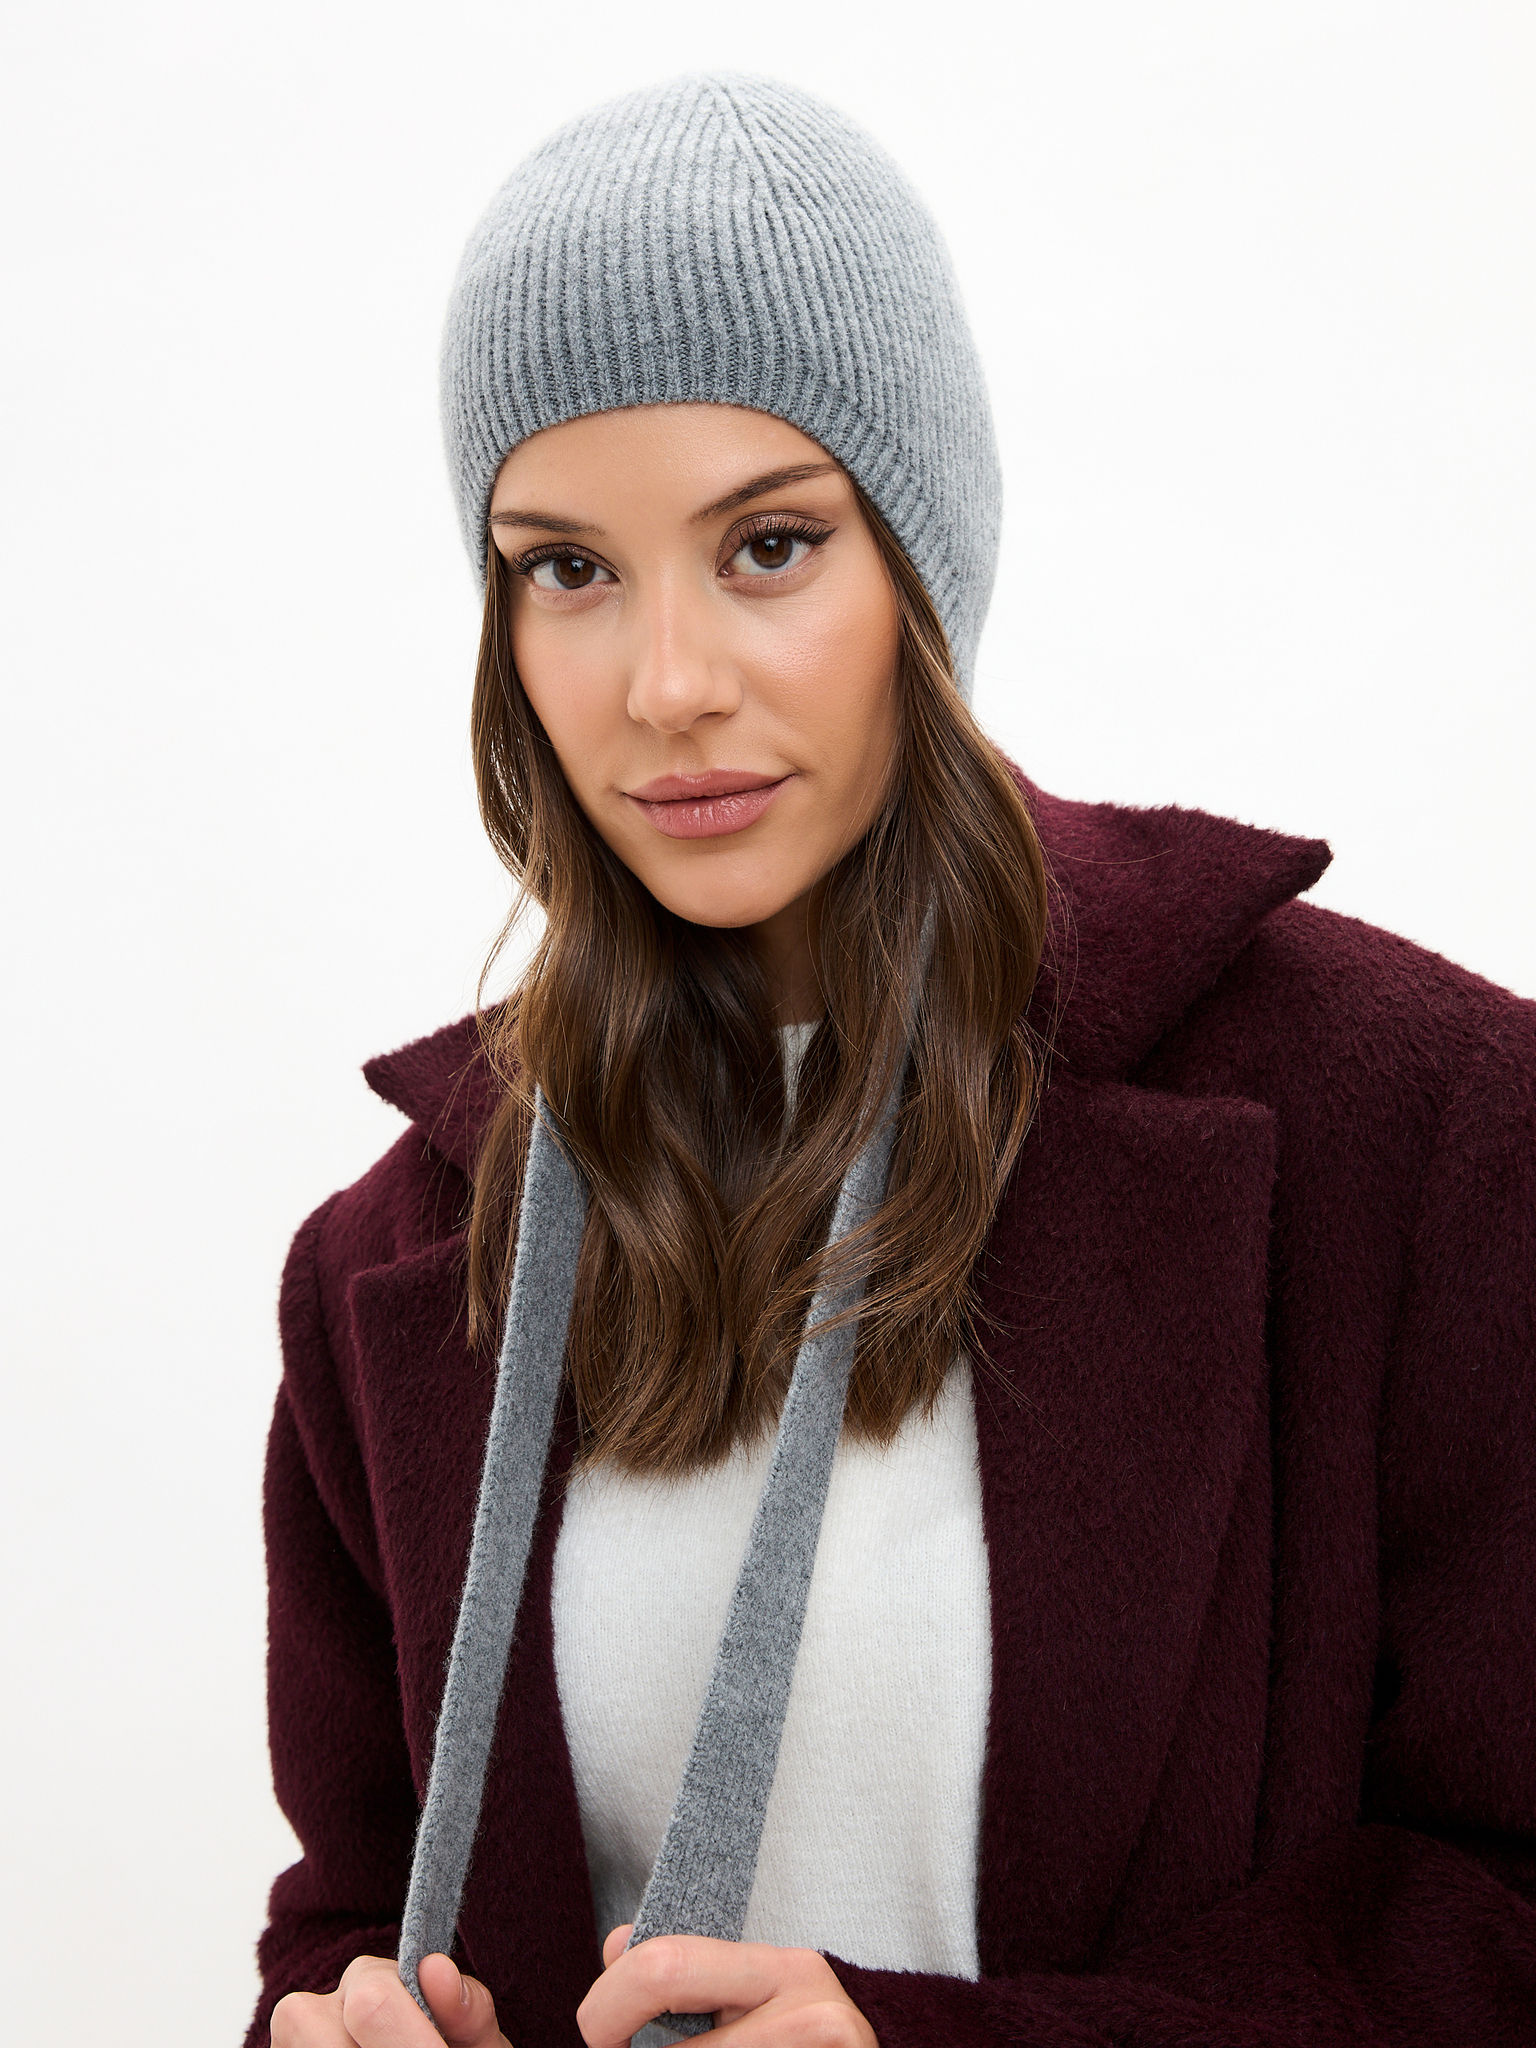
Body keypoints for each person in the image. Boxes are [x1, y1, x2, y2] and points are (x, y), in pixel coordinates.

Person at [252, 73, 1536, 2048]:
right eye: (567, 568)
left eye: (768, 544)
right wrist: (327, 2021)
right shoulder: (393, 1258)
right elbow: (348, 1911)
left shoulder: (1420, 1130)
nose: (668, 684)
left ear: (922, 565)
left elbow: (1506, 1903)